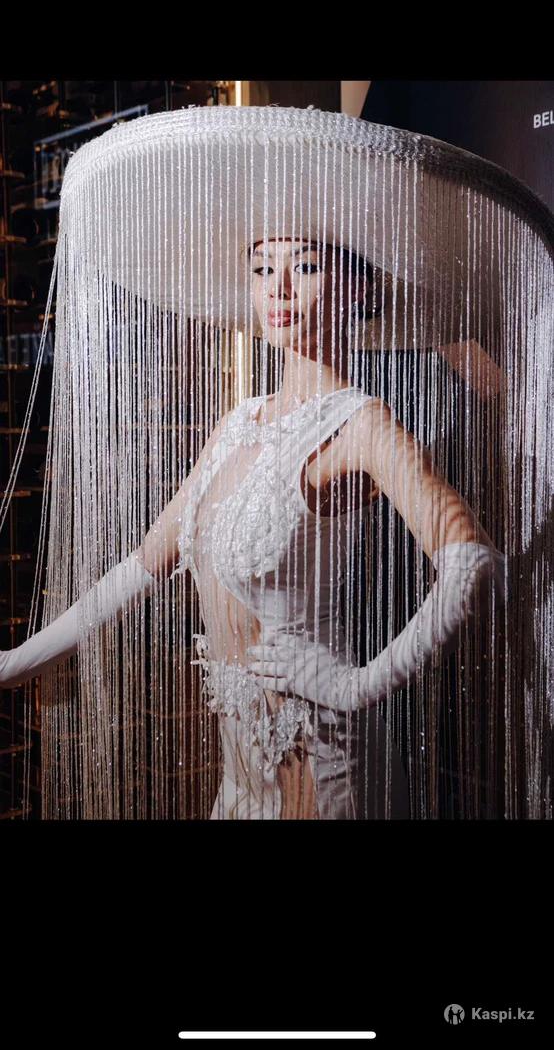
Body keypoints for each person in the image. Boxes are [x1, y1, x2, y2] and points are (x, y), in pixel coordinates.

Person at [0, 234, 505, 821]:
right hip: (240, 760)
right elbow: (146, 562)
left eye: (305, 267)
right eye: (263, 269)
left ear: (357, 287)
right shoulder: (239, 422)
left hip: (316, 752)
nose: (278, 290)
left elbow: (475, 564)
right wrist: (16, 663)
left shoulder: (360, 426)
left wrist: (354, 686)